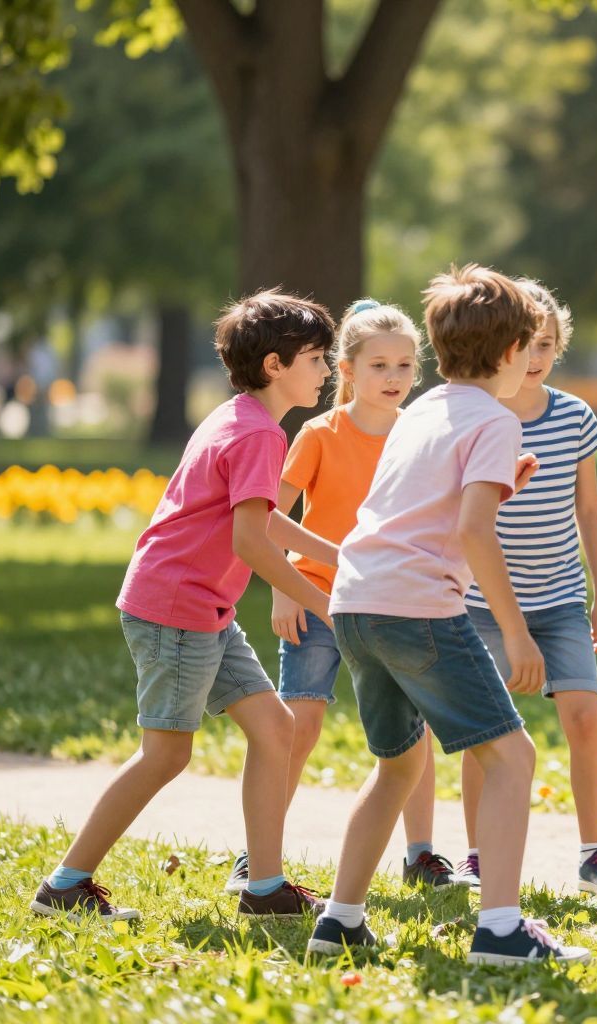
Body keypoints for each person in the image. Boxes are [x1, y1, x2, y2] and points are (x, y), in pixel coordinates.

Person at [306, 264, 588, 966]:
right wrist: (517, 631)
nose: (532, 357)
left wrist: (498, 482)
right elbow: (471, 533)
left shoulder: (425, 408)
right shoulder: (493, 418)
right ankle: (500, 929)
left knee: (397, 766)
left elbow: (419, 503)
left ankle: (340, 921)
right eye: (529, 344)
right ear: (510, 352)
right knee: (513, 758)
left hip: (356, 603)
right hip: (418, 610)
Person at [31, 291, 338, 920]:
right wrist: (326, 605)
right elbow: (249, 540)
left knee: (275, 729)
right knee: (167, 753)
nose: (327, 369)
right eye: (316, 357)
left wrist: (337, 556)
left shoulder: (241, 416)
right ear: (276, 364)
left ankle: (263, 887)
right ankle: (64, 885)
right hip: (176, 609)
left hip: (201, 609)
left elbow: (264, 518)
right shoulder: (258, 435)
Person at [222, 299, 462, 899]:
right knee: (299, 724)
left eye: (406, 365)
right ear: (347, 370)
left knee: (415, 730)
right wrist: (283, 589)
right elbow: (268, 516)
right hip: (316, 598)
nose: (394, 378)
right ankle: (259, 855)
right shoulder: (320, 433)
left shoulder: (422, 433)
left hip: (394, 603)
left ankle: (421, 853)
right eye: (379, 365)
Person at [453, 279, 597, 896]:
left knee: (584, 716)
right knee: (489, 731)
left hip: (559, 600)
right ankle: (476, 855)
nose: (535, 357)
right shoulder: (476, 415)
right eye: (526, 344)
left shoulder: (575, 416)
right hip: (481, 603)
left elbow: (590, 511)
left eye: (548, 345)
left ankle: (595, 853)